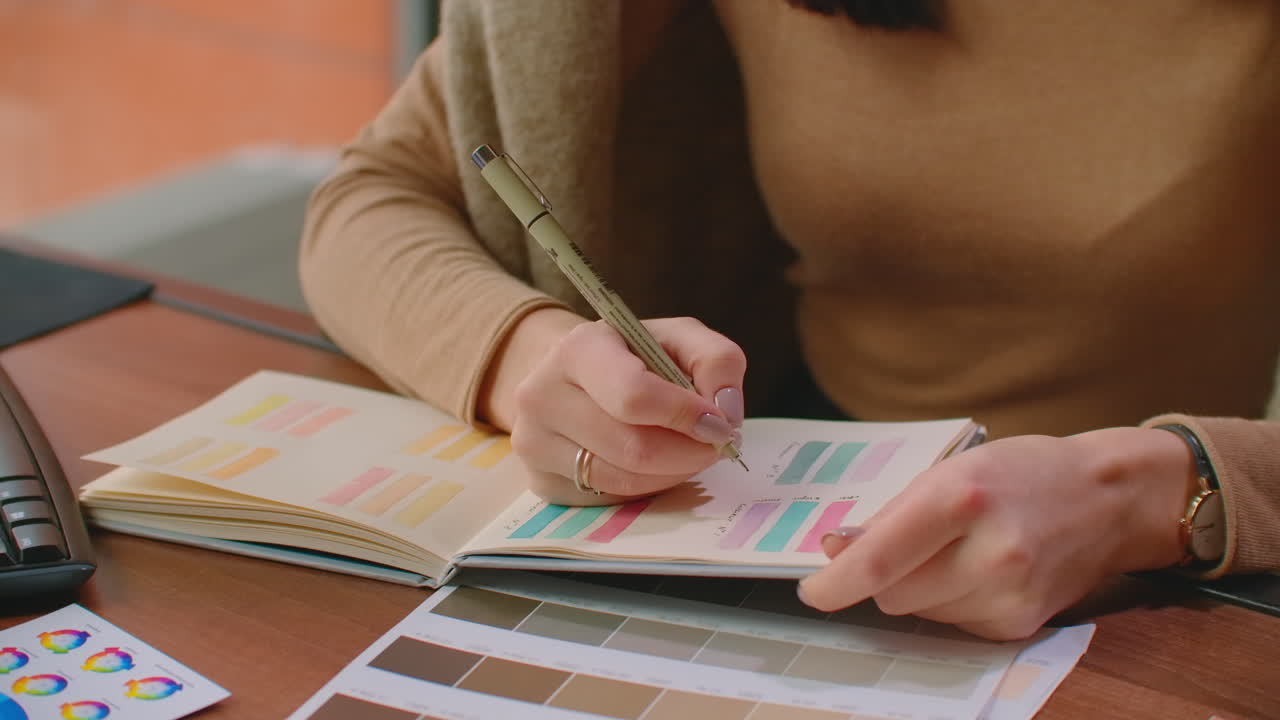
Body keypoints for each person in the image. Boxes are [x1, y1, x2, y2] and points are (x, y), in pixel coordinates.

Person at [299, 0, 1280, 640]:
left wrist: (1154, 493)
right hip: (804, 527)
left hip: (1195, 590)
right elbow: (368, 200)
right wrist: (547, 360)